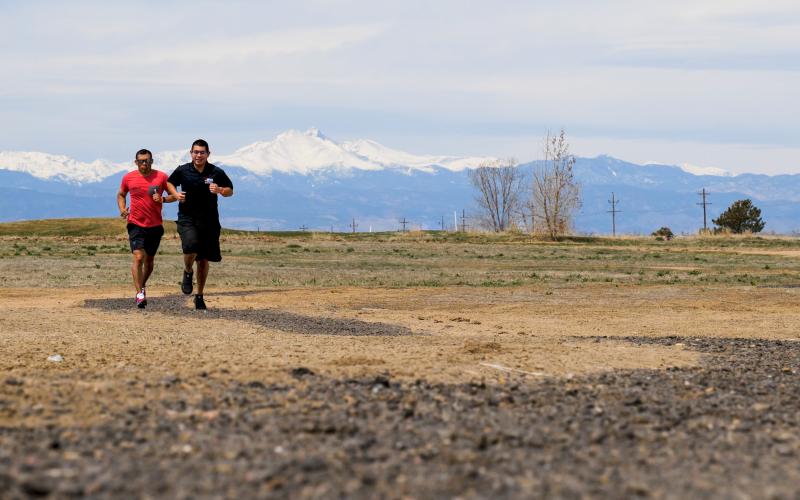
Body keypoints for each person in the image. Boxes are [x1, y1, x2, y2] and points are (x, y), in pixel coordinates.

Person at [167, 139, 234, 310]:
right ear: (191, 153)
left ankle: (199, 295)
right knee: (190, 245)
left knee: (203, 260)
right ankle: (188, 271)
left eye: (202, 152)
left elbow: (230, 191)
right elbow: (169, 183)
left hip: (209, 221)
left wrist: (219, 190)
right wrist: (175, 194)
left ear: (208, 154)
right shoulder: (183, 170)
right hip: (187, 217)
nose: (198, 155)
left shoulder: (216, 172)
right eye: (195, 152)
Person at [117, 149, 176, 308]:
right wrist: (122, 209)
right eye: (141, 161)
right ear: (136, 162)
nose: (144, 163)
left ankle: (141, 286)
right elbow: (121, 194)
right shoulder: (128, 177)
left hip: (155, 225)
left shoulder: (162, 176)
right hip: (135, 223)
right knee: (138, 257)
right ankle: (139, 294)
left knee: (149, 260)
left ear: (152, 161)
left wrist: (163, 199)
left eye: (147, 160)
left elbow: (174, 195)